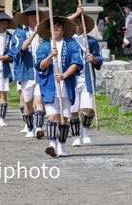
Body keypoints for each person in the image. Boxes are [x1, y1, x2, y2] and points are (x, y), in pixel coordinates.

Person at [35, 16, 82, 157]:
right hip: (49, 86)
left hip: (66, 86)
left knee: (64, 118)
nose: (55, 29)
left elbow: (76, 63)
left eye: (58, 26)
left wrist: (64, 75)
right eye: (52, 26)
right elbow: (40, 66)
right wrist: (50, 55)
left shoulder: (71, 44)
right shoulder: (43, 46)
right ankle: (51, 145)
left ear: (63, 29)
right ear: (48, 29)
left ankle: (61, 147)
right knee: (52, 116)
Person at [68, 6, 103, 146]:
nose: (77, 25)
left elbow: (99, 60)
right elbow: (56, 27)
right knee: (73, 109)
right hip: (71, 79)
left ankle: (85, 130)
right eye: (75, 22)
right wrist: (76, 13)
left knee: (89, 109)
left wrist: (93, 59)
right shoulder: (67, 40)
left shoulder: (91, 41)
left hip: (87, 78)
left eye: (80, 22)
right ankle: (75, 136)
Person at [12, 5, 48, 138]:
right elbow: (21, 49)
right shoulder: (19, 33)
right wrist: (34, 33)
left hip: (41, 73)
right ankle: (29, 127)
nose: (33, 19)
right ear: (27, 18)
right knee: (28, 103)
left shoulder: (45, 33)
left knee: (39, 100)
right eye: (31, 16)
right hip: (26, 72)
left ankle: (39, 128)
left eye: (35, 16)